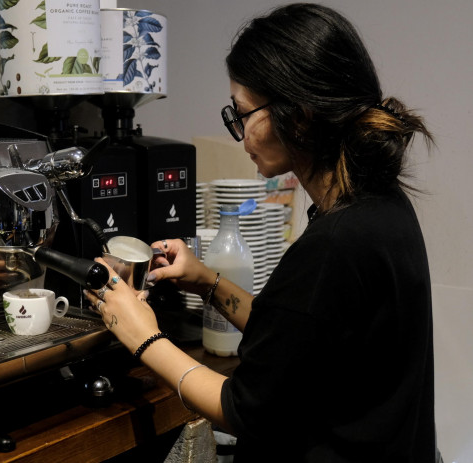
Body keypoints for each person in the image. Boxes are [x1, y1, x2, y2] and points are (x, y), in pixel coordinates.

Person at [84, 3, 437, 462]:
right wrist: (206, 281)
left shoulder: (337, 243)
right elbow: (297, 337)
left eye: (244, 113)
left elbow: (244, 409)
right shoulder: (378, 206)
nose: (240, 131)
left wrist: (141, 334)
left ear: (301, 113)